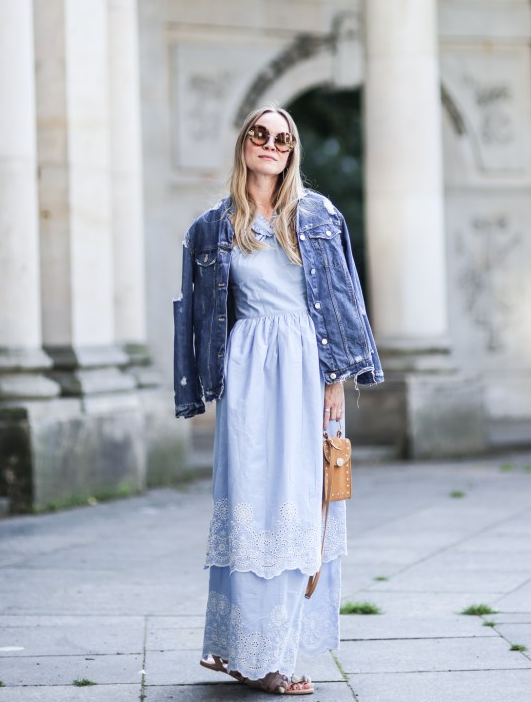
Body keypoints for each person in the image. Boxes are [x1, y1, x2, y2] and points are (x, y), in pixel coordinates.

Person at [174, 105, 383, 695]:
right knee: (251, 506)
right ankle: (248, 653)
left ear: (292, 152)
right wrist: (202, 384)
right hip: (248, 373)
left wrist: (336, 379)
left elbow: (344, 298)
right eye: (260, 134)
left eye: (283, 138)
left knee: (303, 506)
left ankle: (280, 654)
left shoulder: (318, 216)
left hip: (308, 368)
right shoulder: (211, 227)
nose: (270, 144)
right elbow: (196, 315)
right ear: (244, 142)